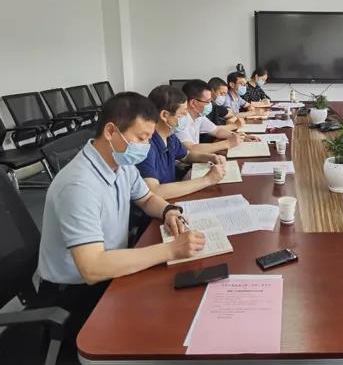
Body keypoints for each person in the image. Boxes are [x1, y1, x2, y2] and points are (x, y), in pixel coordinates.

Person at [37, 92, 205, 359]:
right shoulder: (78, 185)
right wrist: (171, 250)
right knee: (160, 330)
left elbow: (146, 198)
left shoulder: (120, 163)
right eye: (141, 138)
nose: (146, 146)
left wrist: (168, 211)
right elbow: (92, 268)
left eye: (149, 138)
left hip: (114, 271)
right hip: (75, 295)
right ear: (111, 131)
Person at [137, 85, 227, 200]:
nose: (186, 117)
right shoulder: (146, 145)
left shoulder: (170, 136)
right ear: (164, 115)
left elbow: (186, 156)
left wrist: (211, 157)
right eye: (183, 114)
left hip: (173, 195)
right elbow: (154, 191)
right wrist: (207, 180)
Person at [177, 80, 257, 154]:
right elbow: (190, 149)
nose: (210, 104)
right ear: (193, 103)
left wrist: (239, 136)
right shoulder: (180, 120)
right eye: (208, 101)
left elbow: (216, 131)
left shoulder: (199, 116)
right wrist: (228, 143)